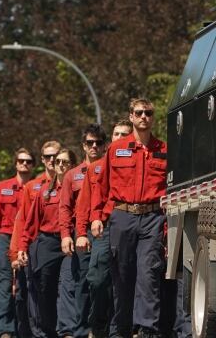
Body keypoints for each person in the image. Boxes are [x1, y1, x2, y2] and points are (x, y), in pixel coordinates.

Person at [93, 98, 167, 337]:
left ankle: (147, 329)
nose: (144, 116)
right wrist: (96, 217)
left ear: (153, 117)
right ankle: (122, 329)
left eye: (148, 113)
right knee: (122, 276)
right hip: (122, 217)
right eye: (139, 113)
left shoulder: (163, 150)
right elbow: (101, 185)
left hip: (152, 218)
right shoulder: (116, 149)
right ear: (132, 117)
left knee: (148, 273)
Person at [75, 119, 132, 337]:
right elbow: (84, 205)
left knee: (126, 279)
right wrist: (81, 232)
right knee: (97, 279)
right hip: (104, 228)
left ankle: (122, 329)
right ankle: (98, 327)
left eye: (124, 135)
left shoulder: (138, 163)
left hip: (130, 222)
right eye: (116, 134)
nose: (120, 138)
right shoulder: (96, 168)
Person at [18, 148, 77, 337]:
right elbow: (31, 222)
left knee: (67, 285)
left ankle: (66, 330)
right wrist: (22, 247)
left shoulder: (78, 188)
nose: (60, 164)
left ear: (72, 166)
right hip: (47, 243)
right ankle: (49, 329)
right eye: (57, 161)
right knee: (44, 287)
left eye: (65, 162)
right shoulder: (44, 191)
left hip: (69, 241)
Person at [58, 124, 108, 338]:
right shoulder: (72, 175)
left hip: (107, 229)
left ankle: (101, 327)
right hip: (83, 233)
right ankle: (81, 331)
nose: (94, 146)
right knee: (83, 283)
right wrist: (67, 235)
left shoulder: (111, 168)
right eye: (90, 143)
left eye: (98, 142)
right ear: (83, 146)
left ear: (104, 145)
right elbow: (65, 208)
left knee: (104, 281)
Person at [0, 148, 34, 338]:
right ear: (15, 164)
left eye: (28, 161)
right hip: (5, 239)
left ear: (33, 165)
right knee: (4, 285)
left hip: (28, 239)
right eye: (21, 160)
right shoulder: (3, 188)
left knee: (26, 286)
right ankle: (5, 332)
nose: (24, 164)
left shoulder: (37, 187)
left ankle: (27, 329)